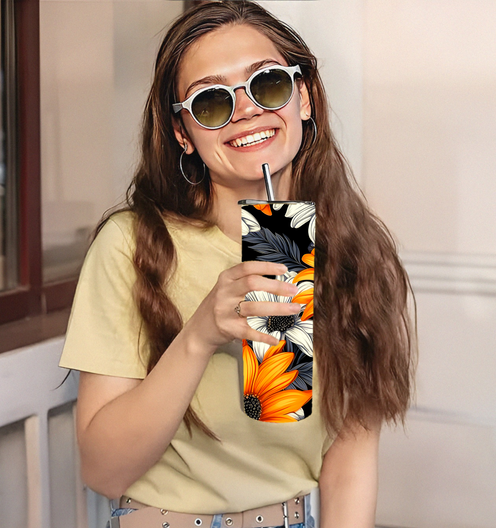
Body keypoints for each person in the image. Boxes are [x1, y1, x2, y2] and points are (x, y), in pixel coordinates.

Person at [60, 2, 415, 527]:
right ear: (184, 133)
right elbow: (103, 470)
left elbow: (349, 460)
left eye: (266, 84)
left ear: (305, 97)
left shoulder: (356, 250)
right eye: (210, 101)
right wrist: (199, 335)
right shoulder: (133, 245)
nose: (245, 110)